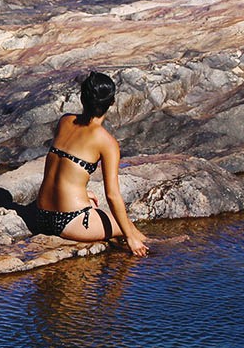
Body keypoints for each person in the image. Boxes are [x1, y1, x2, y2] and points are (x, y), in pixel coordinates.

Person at [22, 72, 150, 257]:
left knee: (92, 203)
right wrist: (130, 236)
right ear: (112, 103)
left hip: (41, 216)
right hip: (70, 221)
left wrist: (83, 193)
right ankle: (155, 252)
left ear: (82, 98)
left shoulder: (65, 121)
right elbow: (112, 196)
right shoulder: (107, 142)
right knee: (129, 228)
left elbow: (64, 169)